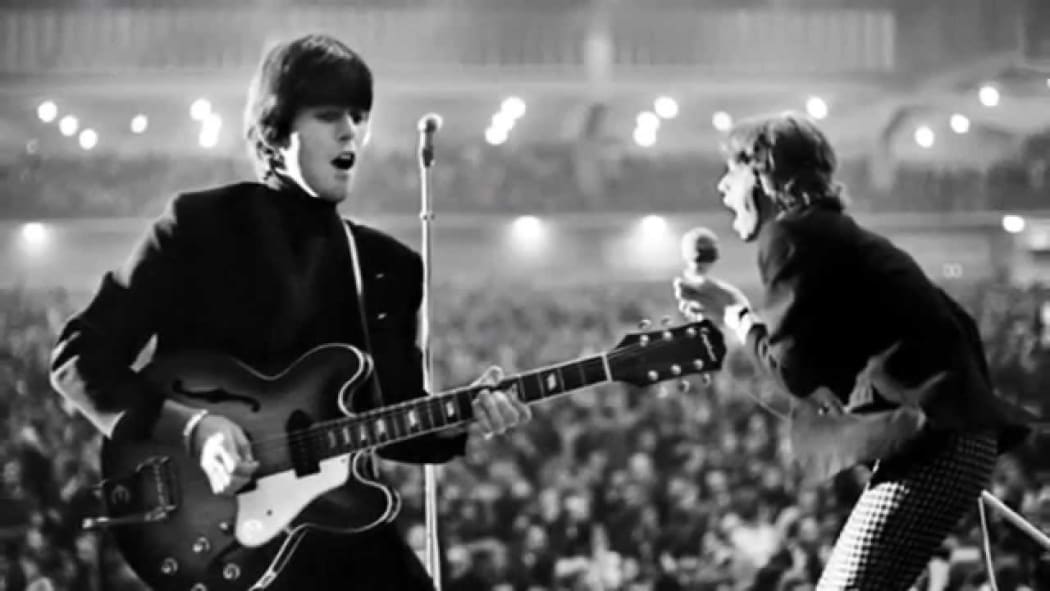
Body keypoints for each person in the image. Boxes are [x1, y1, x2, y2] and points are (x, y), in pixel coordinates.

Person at [49, 33, 532, 590]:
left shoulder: (386, 266)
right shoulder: (198, 228)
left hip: (344, 537)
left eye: (359, 115)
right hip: (228, 540)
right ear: (276, 132)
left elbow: (394, 418)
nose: (352, 130)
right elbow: (79, 358)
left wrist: (465, 419)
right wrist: (196, 430)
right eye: (329, 115)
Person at [674, 112, 1033, 590]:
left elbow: (792, 375)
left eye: (731, 171)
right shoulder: (836, 236)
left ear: (762, 174)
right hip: (953, 443)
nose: (721, 187)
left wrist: (734, 313)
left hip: (938, 447)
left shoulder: (791, 236)